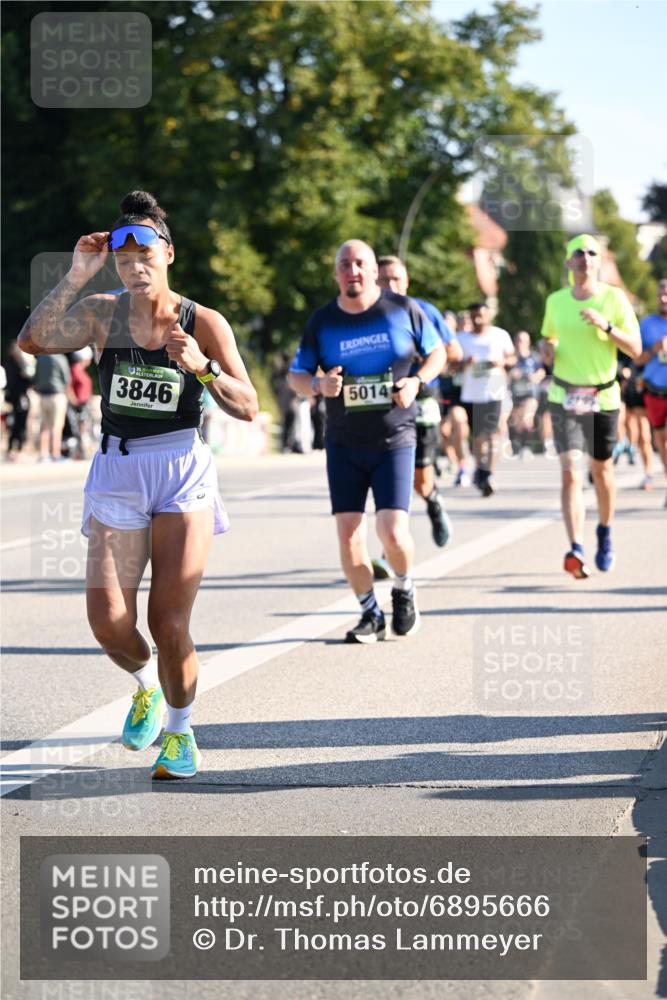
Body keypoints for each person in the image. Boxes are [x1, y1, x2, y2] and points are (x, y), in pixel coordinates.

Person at [18, 190, 258, 778]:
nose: (134, 268)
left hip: (180, 469)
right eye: (123, 260)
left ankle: (180, 732)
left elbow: (248, 406)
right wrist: (77, 274)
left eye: (144, 255)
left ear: (167, 254)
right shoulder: (102, 312)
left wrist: (203, 367)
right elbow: (33, 341)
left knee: (168, 622)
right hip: (118, 469)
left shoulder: (203, 322)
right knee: (108, 621)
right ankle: (147, 686)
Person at [288, 239, 444, 643]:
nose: (352, 271)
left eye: (360, 263)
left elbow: (438, 353)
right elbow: (296, 375)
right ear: (336, 273)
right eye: (344, 264)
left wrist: (416, 381)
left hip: (395, 437)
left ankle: (404, 587)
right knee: (349, 533)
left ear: (374, 271)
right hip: (343, 441)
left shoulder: (403, 309)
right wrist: (318, 385)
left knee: (392, 531)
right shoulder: (323, 321)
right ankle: (370, 612)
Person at [541, 233, 641, 578]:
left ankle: (605, 532)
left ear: (598, 261)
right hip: (564, 396)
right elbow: (549, 337)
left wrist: (606, 325)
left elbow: (635, 348)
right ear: (569, 262)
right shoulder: (556, 301)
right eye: (578, 252)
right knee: (570, 472)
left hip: (603, 396)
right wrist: (547, 349)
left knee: (601, 471)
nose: (585, 257)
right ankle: (576, 547)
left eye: (591, 252)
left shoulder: (614, 298)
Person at [376, 255, 462, 547]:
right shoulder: (363, 315)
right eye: (385, 279)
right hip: (382, 400)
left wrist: (421, 358)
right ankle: (392, 547)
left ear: (407, 281)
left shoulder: (424, 311)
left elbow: (455, 352)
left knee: (420, 480)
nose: (391, 285)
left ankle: (433, 501)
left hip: (422, 396)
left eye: (396, 279)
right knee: (389, 477)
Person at [453, 302, 516, 496]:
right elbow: (451, 365)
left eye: (481, 315)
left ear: (489, 316)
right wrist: (466, 362)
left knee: (493, 434)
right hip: (472, 393)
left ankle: (488, 474)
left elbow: (512, 359)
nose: (478, 320)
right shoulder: (462, 338)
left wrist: (501, 362)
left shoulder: (500, 335)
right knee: (478, 437)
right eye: (474, 316)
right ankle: (480, 468)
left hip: (495, 389)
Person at [637, 277, 667, 505]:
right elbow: (637, 358)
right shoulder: (646, 325)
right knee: (661, 440)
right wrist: (654, 349)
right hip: (654, 390)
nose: (664, 299)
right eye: (661, 295)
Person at [508, 331, 545, 457]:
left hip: (530, 394)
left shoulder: (534, 357)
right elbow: (503, 375)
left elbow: (541, 372)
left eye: (524, 341)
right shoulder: (511, 359)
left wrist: (534, 377)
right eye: (519, 340)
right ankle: (519, 446)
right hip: (515, 395)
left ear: (528, 343)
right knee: (517, 424)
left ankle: (527, 447)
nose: (521, 344)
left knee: (527, 419)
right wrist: (512, 375)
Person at [34, 352, 70, 461]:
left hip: (42, 396)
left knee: (44, 426)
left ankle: (43, 453)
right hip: (57, 395)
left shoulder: (40, 359)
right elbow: (66, 378)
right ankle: (55, 453)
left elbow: (35, 378)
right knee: (57, 426)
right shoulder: (60, 358)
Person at [3, 341, 35, 460]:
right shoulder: (18, 365)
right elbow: (28, 379)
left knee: (14, 423)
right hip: (20, 397)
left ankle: (12, 448)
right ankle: (18, 449)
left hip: (12, 397)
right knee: (20, 424)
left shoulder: (8, 363)